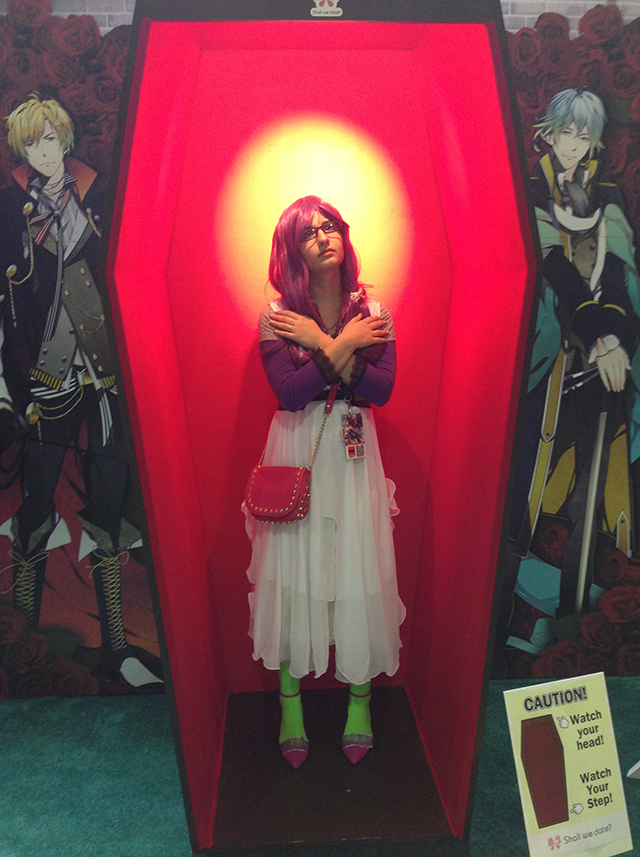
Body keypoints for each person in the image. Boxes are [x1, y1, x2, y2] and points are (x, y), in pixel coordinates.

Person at [0, 93, 162, 690]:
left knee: (111, 505)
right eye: (32, 143)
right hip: (46, 373)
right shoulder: (9, 210)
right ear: (21, 149)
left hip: (106, 370)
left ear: (64, 140)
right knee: (35, 504)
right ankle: (23, 646)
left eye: (50, 139)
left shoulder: (99, 197)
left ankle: (117, 648)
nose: (43, 152)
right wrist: (9, 388)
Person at [244, 196, 405, 767]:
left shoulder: (375, 311)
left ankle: (360, 702)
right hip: (298, 447)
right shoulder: (276, 317)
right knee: (295, 574)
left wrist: (327, 345)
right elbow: (289, 394)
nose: (323, 236)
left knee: (357, 566)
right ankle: (290, 707)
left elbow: (382, 390)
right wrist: (335, 342)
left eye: (330, 226)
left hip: (356, 453)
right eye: (309, 232)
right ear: (293, 251)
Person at [499, 89, 640, 660]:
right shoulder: (531, 191)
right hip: (546, 362)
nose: (574, 146)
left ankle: (572, 621)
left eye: (585, 136)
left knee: (590, 496)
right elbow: (556, 272)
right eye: (566, 133)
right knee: (526, 489)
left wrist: (615, 341)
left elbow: (619, 280)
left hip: (602, 367)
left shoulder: (606, 198)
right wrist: (600, 336)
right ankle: (512, 621)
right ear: (548, 134)